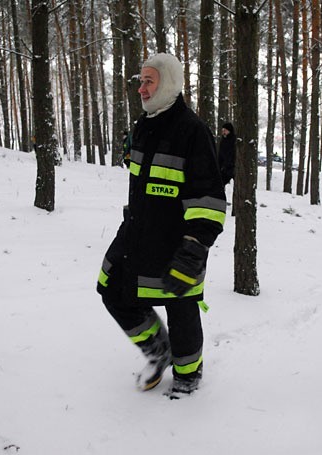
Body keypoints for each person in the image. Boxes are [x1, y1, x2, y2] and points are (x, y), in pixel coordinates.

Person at [96, 53, 226, 398]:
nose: (141, 88)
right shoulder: (144, 125)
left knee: (181, 309)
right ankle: (157, 350)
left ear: (168, 83)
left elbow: (210, 201)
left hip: (179, 243)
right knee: (111, 288)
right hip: (138, 232)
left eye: (149, 81)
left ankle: (187, 376)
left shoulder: (193, 132)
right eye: (140, 81)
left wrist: (193, 252)